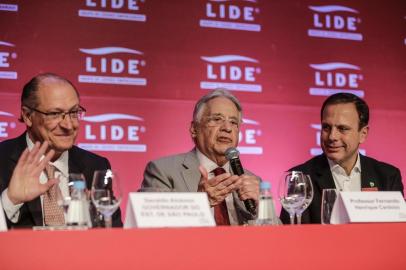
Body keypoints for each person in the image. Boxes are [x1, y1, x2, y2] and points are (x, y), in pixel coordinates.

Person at [0, 73, 122, 228]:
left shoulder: (95, 166)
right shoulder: (2, 160)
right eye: (54, 114)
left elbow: (114, 233)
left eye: (73, 112)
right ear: (27, 116)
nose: (68, 125)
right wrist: (10, 201)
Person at [140, 89, 260, 225]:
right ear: (194, 129)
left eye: (233, 122)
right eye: (217, 119)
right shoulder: (162, 171)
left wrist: (260, 209)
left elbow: (277, 237)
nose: (227, 128)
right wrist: (200, 204)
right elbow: (150, 226)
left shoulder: (252, 182)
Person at [280, 92, 404, 224]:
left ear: (363, 134)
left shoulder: (387, 176)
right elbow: (292, 236)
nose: (332, 136)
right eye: (326, 127)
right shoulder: (300, 178)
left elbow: (397, 232)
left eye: (342, 128)